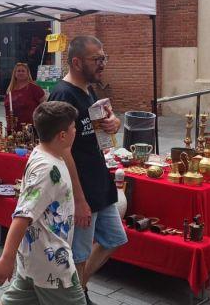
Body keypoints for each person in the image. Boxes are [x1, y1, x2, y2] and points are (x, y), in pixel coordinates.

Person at [48, 36, 125, 304]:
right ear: (77, 62)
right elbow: (62, 150)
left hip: (98, 179)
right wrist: (79, 200)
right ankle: (76, 297)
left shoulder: (88, 90)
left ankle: (79, 289)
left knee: (115, 238)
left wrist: (113, 122)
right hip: (80, 187)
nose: (102, 64)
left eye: (104, 58)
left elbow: (97, 124)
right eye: (97, 59)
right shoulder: (63, 94)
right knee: (79, 253)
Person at [0, 101, 85, 305]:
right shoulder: (47, 169)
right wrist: (6, 258)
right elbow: (23, 215)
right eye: (73, 128)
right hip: (52, 263)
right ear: (62, 135)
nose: (76, 131)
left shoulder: (43, 152)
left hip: (35, 259)